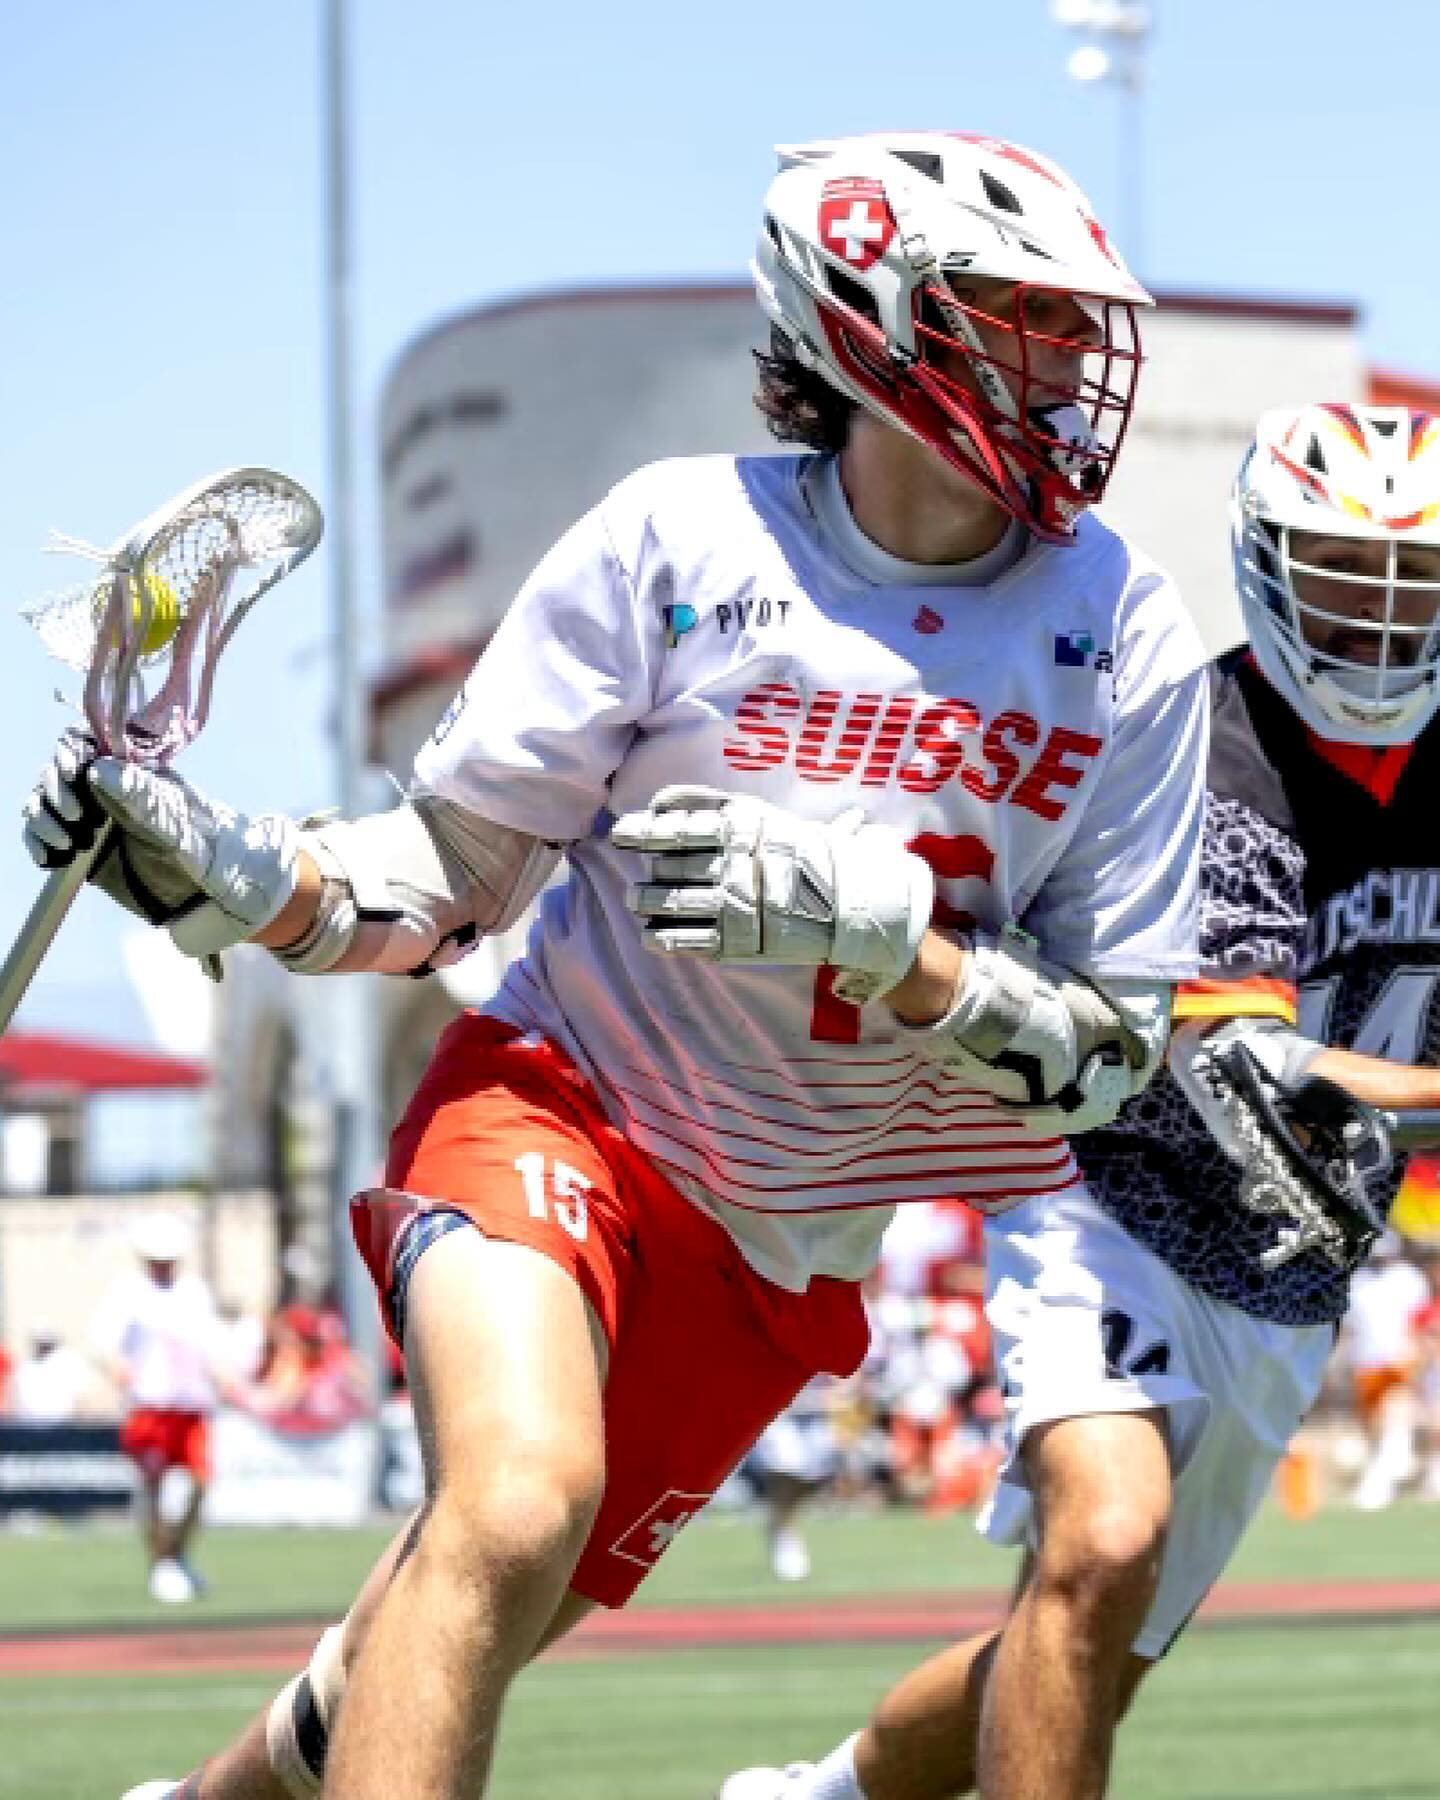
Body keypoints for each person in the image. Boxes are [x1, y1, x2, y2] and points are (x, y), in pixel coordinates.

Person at [23, 131, 1206, 1800]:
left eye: (1078, 323)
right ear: (872, 322)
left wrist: (890, 950)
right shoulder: (678, 544)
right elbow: (455, 880)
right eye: (1024, 313)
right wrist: (247, 881)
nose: (1071, 359)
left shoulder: (1126, 633)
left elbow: (1110, 1056)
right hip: (565, 1105)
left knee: (434, 1630)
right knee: (514, 1507)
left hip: (785, 1242)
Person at [719, 399, 1440, 1800]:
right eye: (1346, 571)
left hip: (1294, 1271)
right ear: (1271, 567)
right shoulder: (1202, 738)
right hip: (1107, 1191)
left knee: (1094, 1647)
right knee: (1102, 1545)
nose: (1379, 612)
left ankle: (819, 1798)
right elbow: (1254, 1072)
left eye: (1411, 579)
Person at [91, 1212, 225, 1604]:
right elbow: (103, 1339)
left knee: (200, 1484)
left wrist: (225, 1378)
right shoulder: (128, 1293)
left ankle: (177, 1554)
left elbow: (209, 1343)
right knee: (155, 1488)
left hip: (191, 1404)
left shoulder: (194, 1292)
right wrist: (116, 1365)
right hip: (150, 1406)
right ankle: (162, 1564)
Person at [8, 1324, 95, 1424]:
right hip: (30, 1425)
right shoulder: (26, 1367)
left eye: (46, 1343)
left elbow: (81, 1398)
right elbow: (15, 1398)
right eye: (40, 1343)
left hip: (62, 1425)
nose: (43, 1347)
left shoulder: (68, 1362)